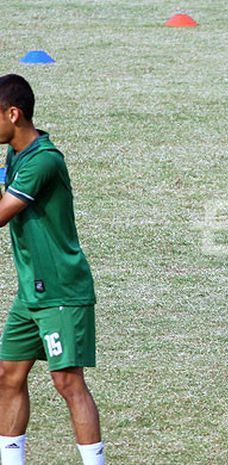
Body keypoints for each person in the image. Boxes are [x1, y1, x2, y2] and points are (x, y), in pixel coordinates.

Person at [0, 74, 104, 465]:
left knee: (67, 381)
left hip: (60, 290)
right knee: (8, 375)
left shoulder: (44, 160)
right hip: (31, 291)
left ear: (14, 114)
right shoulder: (16, 154)